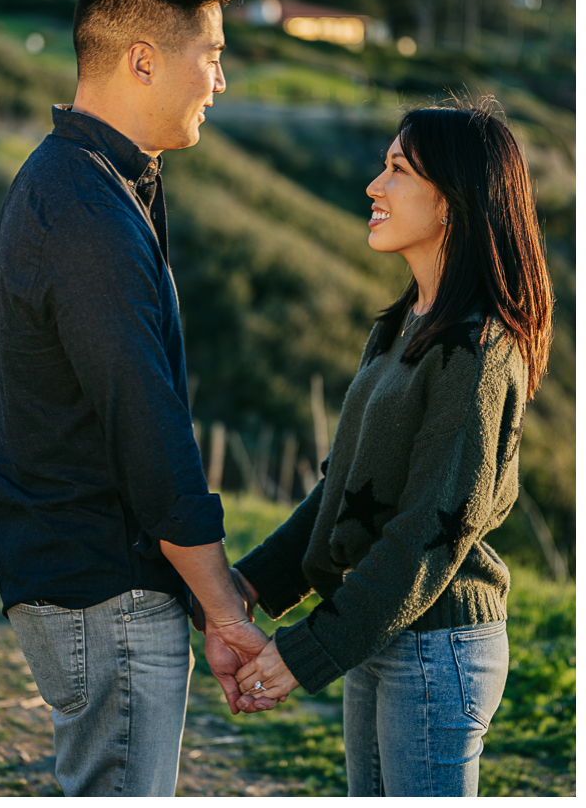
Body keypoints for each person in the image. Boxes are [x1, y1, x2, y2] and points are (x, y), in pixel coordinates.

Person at [0, 0, 275, 798]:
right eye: (211, 57)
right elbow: (147, 429)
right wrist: (222, 611)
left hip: (93, 588)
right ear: (143, 60)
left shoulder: (96, 181)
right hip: (104, 595)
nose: (220, 81)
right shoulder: (82, 208)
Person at [231, 99, 554, 797]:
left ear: (452, 203)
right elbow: (343, 493)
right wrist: (246, 587)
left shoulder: (479, 347)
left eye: (398, 170)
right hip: (379, 629)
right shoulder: (401, 329)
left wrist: (306, 652)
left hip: (437, 647)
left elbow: (429, 532)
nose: (375, 186)